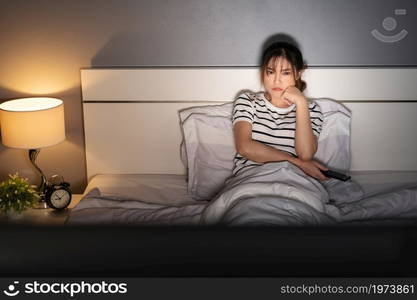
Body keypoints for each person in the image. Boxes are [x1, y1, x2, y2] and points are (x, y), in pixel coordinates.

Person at [232, 41, 330, 181]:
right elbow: (244, 147)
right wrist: (298, 163)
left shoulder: (311, 110)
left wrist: (301, 103)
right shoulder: (248, 101)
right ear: (263, 72)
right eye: (271, 72)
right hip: (251, 179)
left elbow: (306, 155)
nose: (277, 81)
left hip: (294, 181)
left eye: (286, 73)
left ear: (298, 74)